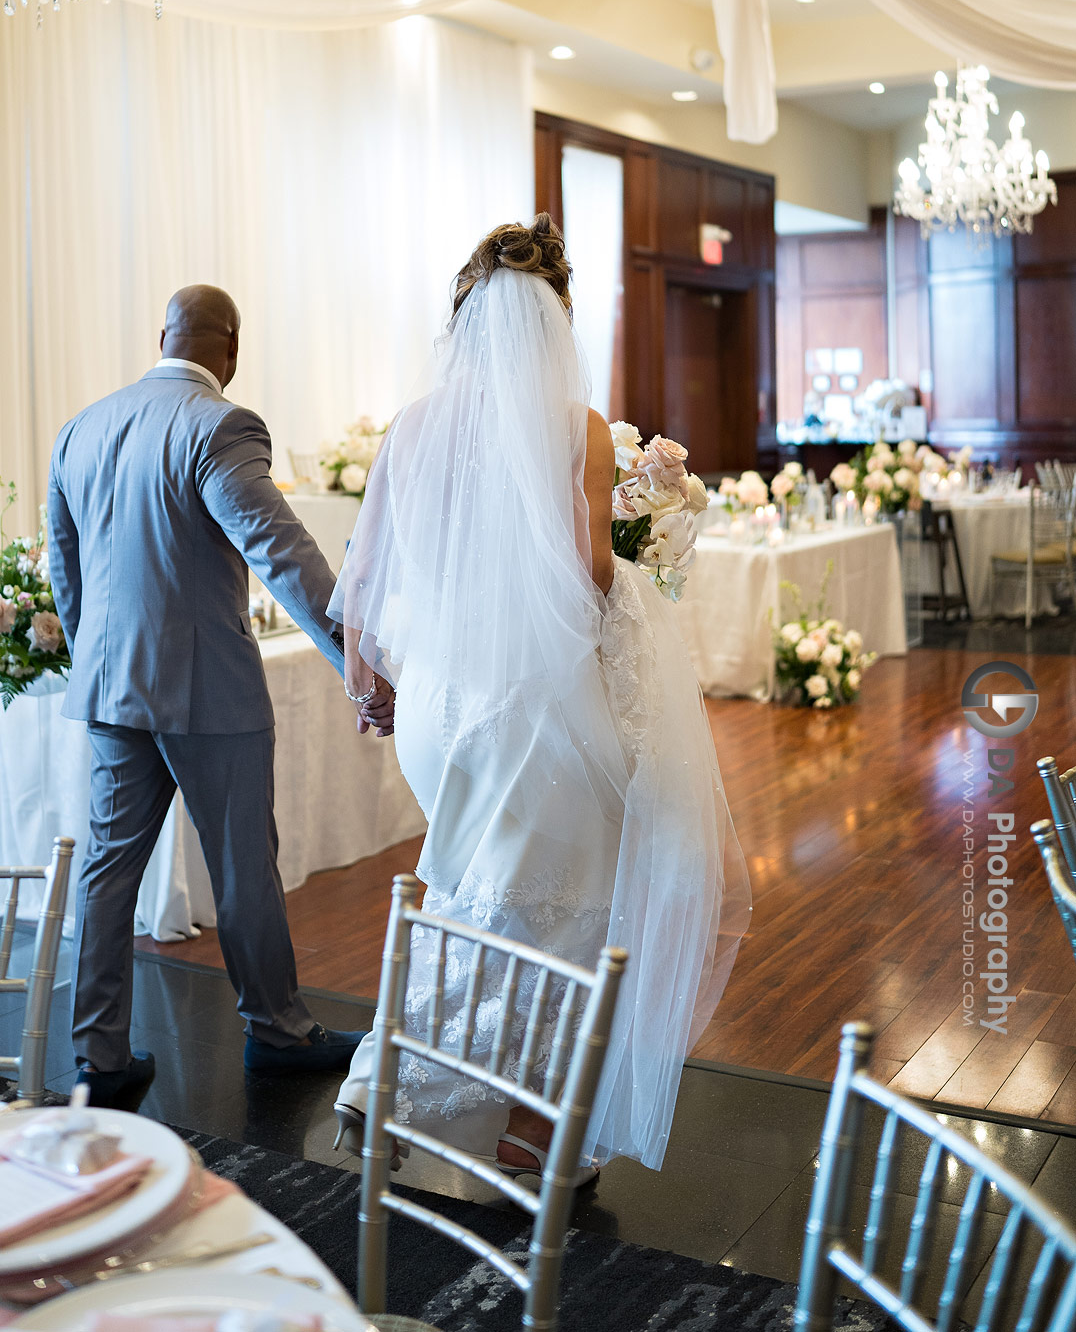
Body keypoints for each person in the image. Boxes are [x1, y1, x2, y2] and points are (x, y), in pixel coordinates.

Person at [329, 218, 750, 1176]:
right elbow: (585, 575)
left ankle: (430, 1087)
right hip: (531, 708)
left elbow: (363, 580)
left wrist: (370, 679)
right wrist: (636, 576)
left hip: (437, 712)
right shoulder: (577, 430)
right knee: (580, 900)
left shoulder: (413, 425)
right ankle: (461, 1104)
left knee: (478, 895)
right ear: (556, 328)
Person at [48, 284, 394, 1107]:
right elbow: (279, 549)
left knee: (106, 869)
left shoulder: (81, 427)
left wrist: (95, 661)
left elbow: (66, 570)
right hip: (208, 695)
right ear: (230, 351)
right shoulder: (222, 425)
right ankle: (276, 1029)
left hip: (109, 687)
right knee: (242, 867)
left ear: (159, 335)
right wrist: (357, 656)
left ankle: (99, 1053)